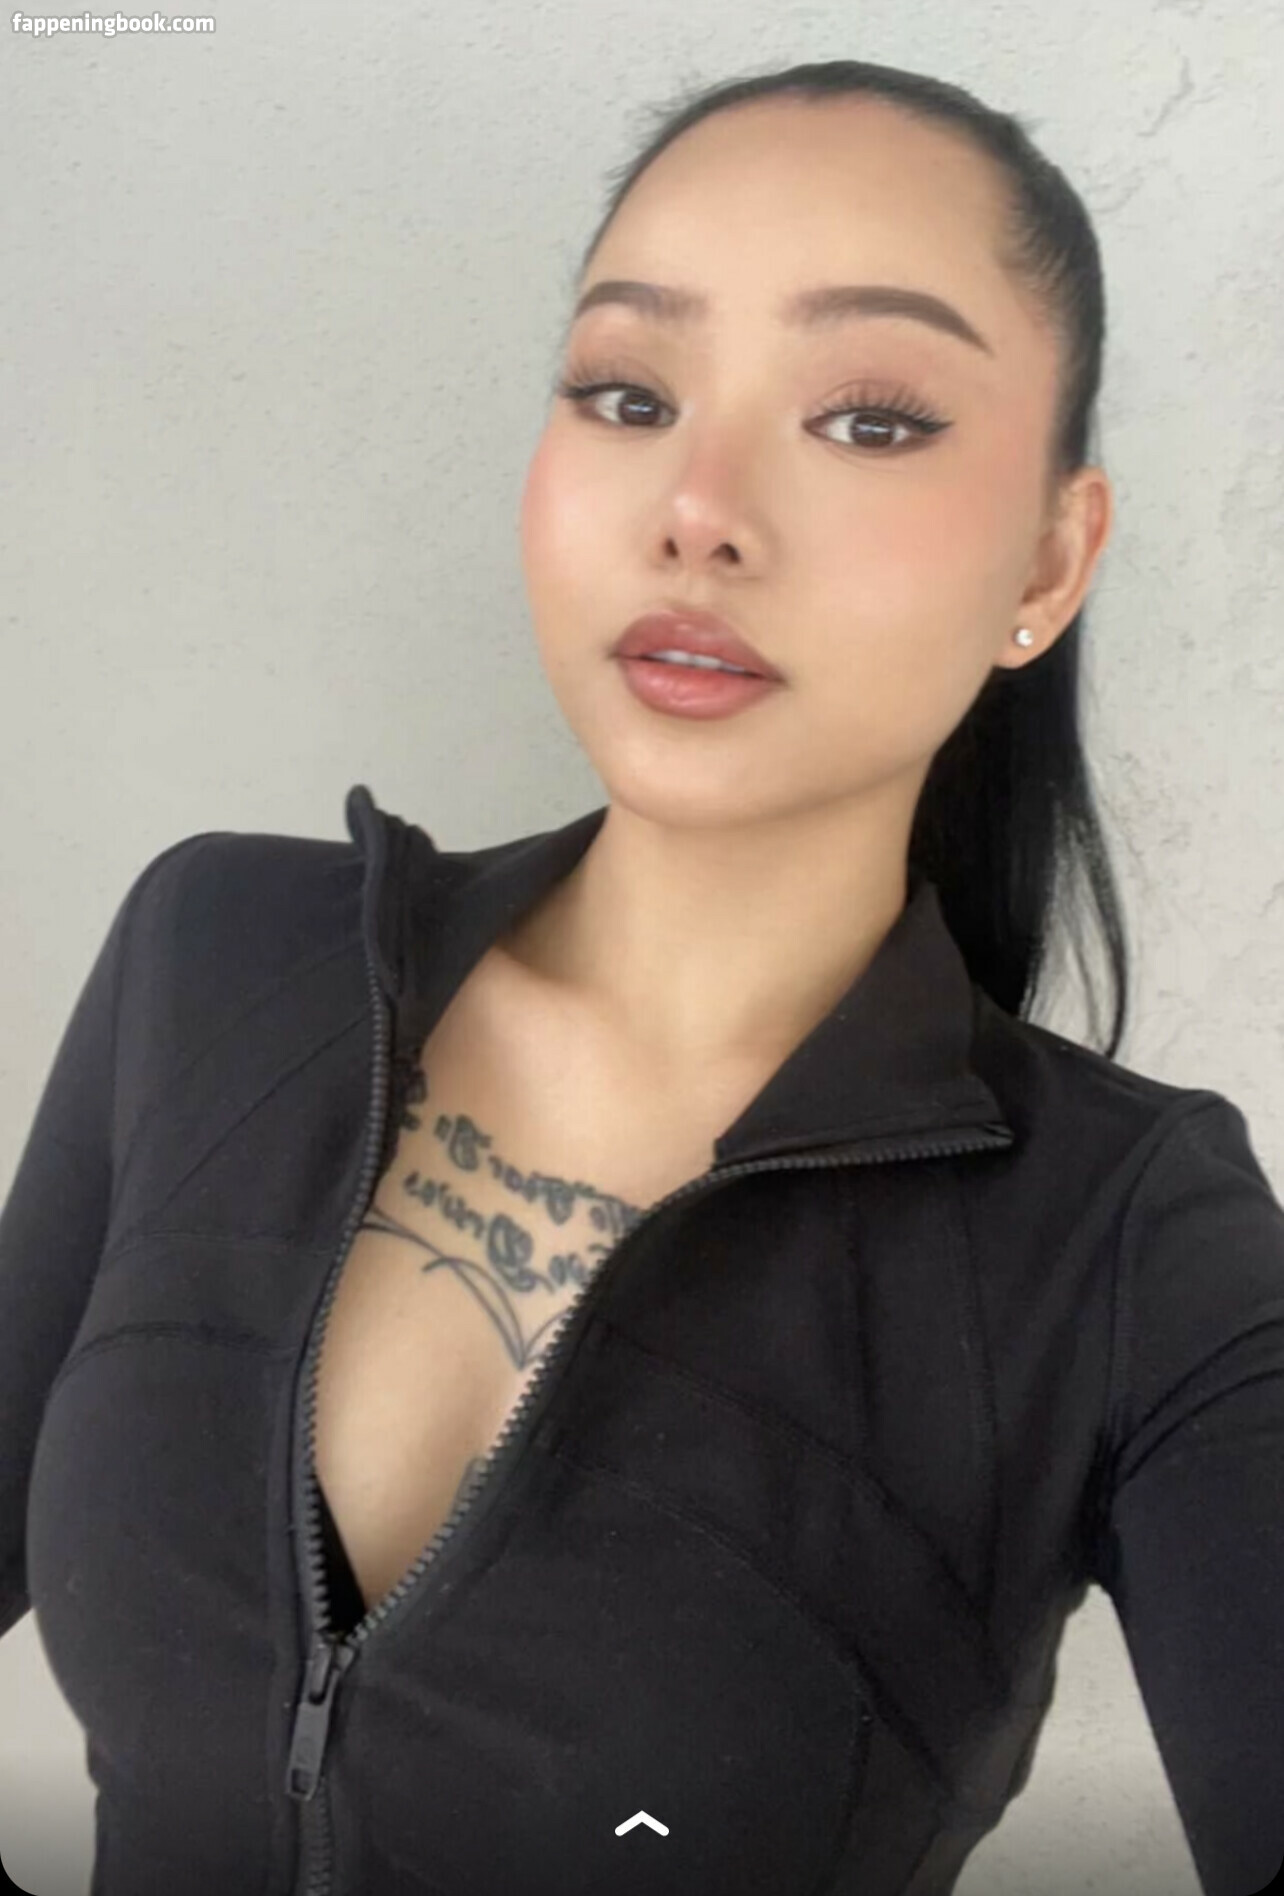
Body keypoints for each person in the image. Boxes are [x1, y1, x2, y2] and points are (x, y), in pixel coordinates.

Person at [2, 57, 1282, 1896]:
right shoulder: (220, 958)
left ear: (1051, 557)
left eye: (867, 420)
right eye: (628, 392)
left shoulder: (1131, 1244)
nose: (697, 506)